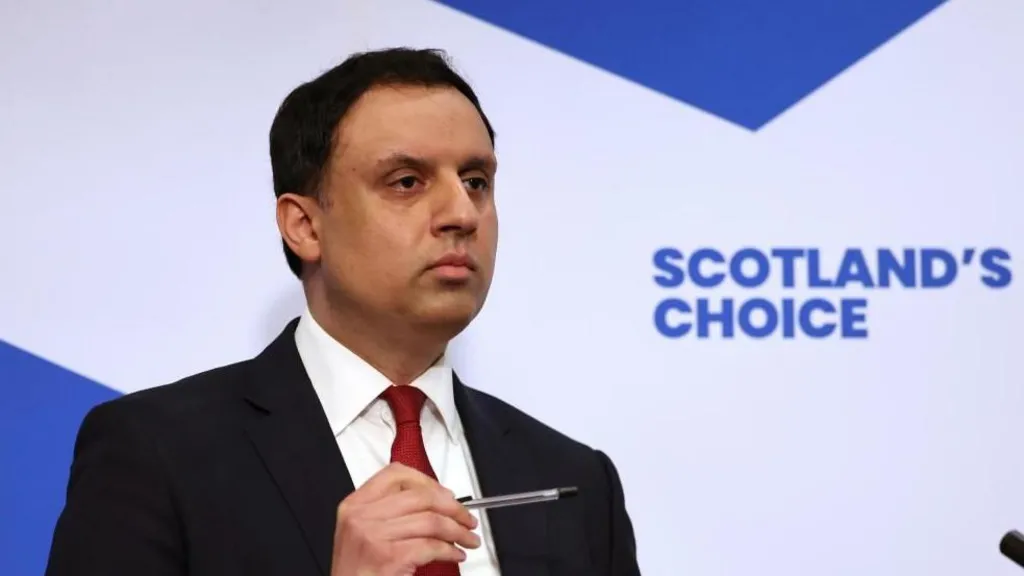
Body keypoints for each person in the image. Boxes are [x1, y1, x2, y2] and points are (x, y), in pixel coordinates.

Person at [44, 47, 641, 576]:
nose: (461, 213)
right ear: (304, 225)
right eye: (407, 181)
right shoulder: (157, 454)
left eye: (476, 180)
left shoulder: (577, 480)